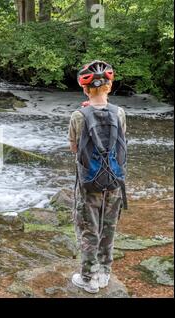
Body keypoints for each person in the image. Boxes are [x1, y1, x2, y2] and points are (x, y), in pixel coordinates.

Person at [68, 60, 128, 294]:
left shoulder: (78, 116)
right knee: (109, 227)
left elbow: (74, 148)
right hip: (114, 181)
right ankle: (105, 273)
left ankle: (88, 278)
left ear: (85, 89)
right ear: (109, 87)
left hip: (88, 183)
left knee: (88, 229)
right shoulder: (119, 113)